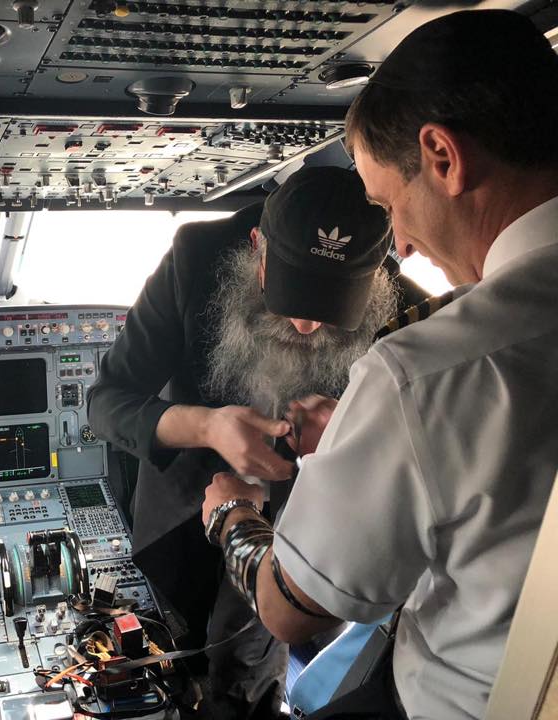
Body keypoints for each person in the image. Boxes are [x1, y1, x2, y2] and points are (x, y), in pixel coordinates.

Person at [201, 9, 558, 720]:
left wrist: (231, 516)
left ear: (443, 158)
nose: (405, 244)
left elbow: (290, 610)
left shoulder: (425, 369)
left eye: (388, 204)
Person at [87, 165, 397, 717]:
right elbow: (108, 402)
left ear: (376, 277)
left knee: (245, 673)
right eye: (293, 296)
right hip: (181, 507)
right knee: (167, 643)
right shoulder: (194, 258)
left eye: (331, 307)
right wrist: (206, 426)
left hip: (295, 521)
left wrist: (346, 428)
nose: (307, 326)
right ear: (258, 247)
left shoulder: (400, 304)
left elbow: (400, 436)